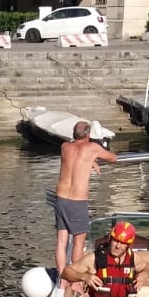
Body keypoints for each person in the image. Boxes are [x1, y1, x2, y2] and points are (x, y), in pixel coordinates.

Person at [54, 120, 119, 282]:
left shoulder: (64, 147)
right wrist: (94, 159)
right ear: (88, 136)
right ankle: (75, 279)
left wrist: (92, 161)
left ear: (73, 134)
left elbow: (76, 158)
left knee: (61, 241)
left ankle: (62, 278)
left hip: (61, 199)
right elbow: (113, 158)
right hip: (77, 202)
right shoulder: (92, 148)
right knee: (78, 242)